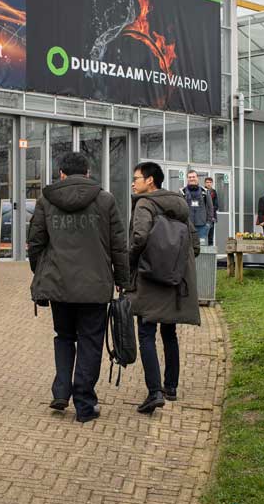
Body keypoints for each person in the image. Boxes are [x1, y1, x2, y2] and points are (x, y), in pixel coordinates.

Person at [27, 152, 129, 423]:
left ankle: (61, 390)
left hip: (59, 284)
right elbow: (119, 245)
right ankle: (84, 402)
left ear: (61, 173)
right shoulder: (105, 199)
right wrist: (123, 280)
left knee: (63, 336)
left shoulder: (46, 200)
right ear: (86, 173)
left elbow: (35, 242)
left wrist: (41, 271)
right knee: (90, 341)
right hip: (95, 286)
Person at [128, 162, 201, 414]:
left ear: (150, 181)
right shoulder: (178, 204)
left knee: (146, 334)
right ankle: (171, 387)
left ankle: (154, 391)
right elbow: (195, 245)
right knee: (169, 333)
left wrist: (130, 263)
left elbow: (139, 237)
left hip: (149, 279)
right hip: (173, 279)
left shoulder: (144, 204)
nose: (133, 183)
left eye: (136, 178)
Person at [180, 170, 215, 245]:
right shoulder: (182, 192)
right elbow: (178, 208)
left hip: (202, 226)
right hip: (186, 226)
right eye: (190, 177)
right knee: (186, 248)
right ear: (187, 179)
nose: (192, 179)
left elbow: (210, 208)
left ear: (197, 178)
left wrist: (208, 223)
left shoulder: (204, 192)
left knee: (201, 249)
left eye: (193, 177)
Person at [204, 176, 219, 246]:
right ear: (205, 183)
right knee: (202, 235)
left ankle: (211, 252)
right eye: (207, 182)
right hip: (203, 216)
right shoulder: (202, 191)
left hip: (211, 217)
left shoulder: (214, 192)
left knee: (211, 235)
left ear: (212, 183)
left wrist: (211, 211)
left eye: (210, 182)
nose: (208, 184)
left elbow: (216, 205)